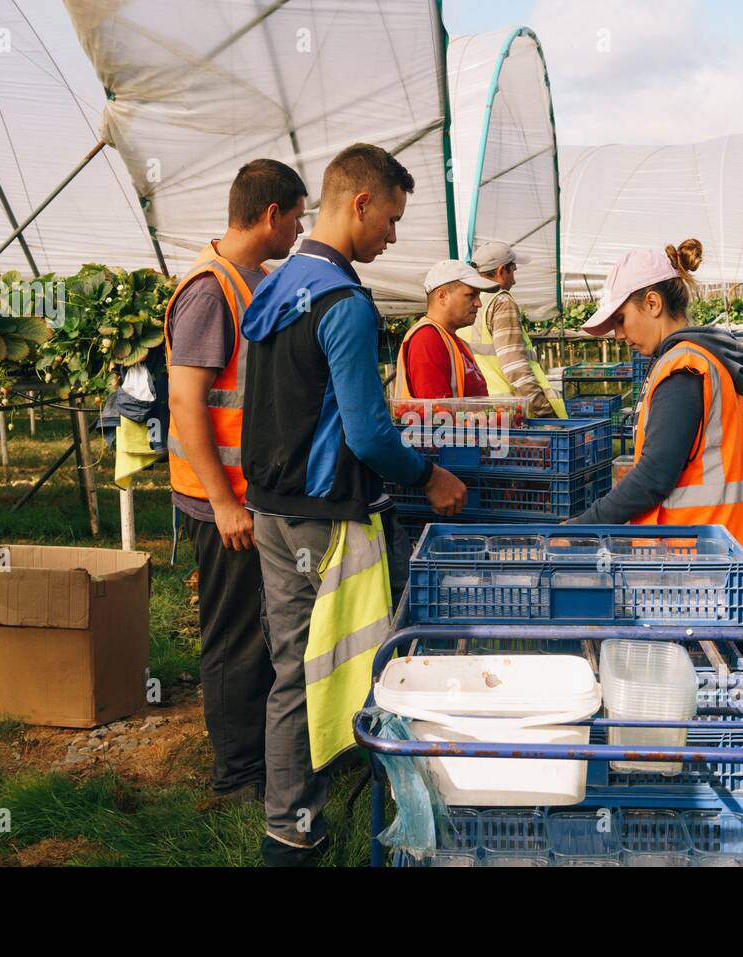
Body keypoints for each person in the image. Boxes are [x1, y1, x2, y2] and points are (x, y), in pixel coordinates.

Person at [239, 143, 467, 866]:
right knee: (372, 662)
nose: (392, 238)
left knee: (291, 667)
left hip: (272, 508)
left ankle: (290, 828)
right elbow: (367, 431)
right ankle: (403, 819)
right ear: (359, 203)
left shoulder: (277, 286)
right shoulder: (343, 301)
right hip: (327, 518)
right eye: (391, 220)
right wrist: (428, 474)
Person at [164, 158, 305, 811]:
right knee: (234, 636)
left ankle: (257, 759)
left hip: (250, 496)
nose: (300, 229)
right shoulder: (210, 289)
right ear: (272, 214)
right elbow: (187, 402)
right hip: (219, 499)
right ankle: (235, 774)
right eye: (297, 216)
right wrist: (223, 502)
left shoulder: (256, 282)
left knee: (260, 629)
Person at [573, 241, 743, 598]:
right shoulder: (700, 359)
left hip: (699, 566)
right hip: (718, 558)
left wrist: (584, 526)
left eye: (621, 319)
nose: (619, 335)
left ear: (652, 303)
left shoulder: (683, 369)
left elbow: (654, 477)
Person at [462, 240, 567, 417]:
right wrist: (544, 411)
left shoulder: (468, 302)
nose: (515, 280)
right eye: (513, 271)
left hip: (482, 410)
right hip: (511, 413)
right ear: (501, 270)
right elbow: (515, 367)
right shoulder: (501, 301)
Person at [393, 261, 499, 398]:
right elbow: (438, 415)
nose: (479, 303)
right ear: (442, 296)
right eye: (471, 295)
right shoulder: (427, 338)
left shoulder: (454, 341)